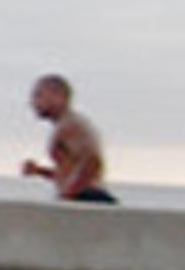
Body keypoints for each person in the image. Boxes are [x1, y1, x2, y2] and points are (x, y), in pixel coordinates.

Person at [22, 72, 116, 204]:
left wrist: (69, 194)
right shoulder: (66, 124)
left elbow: (92, 162)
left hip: (87, 197)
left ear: (59, 96)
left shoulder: (70, 125)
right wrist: (40, 171)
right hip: (85, 195)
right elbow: (73, 171)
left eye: (39, 95)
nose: (33, 103)